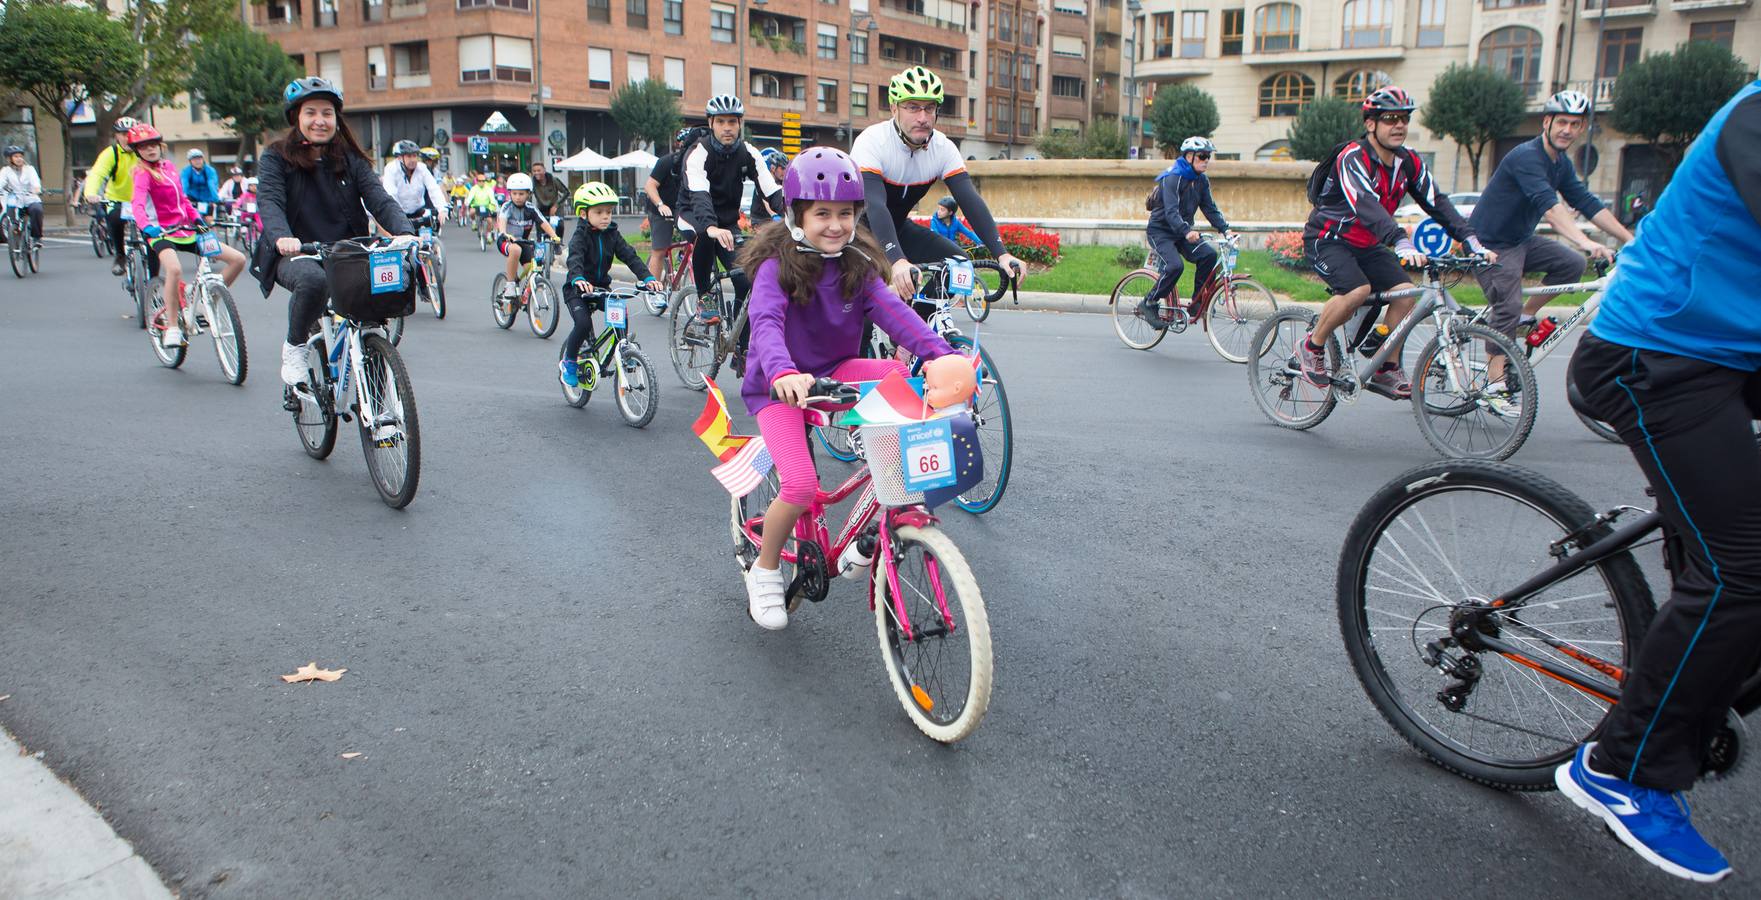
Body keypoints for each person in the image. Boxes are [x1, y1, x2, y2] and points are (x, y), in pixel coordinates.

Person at [1560, 78, 1761, 886]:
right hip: (1658, 354)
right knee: (1743, 569)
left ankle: (1707, 646)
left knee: (1728, 558)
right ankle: (1621, 768)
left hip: (1733, 350)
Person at [735, 147, 969, 629]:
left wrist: (942, 357)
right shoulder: (776, 267)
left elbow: (898, 316)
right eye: (822, 213)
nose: (836, 225)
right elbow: (765, 325)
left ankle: (875, 523)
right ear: (796, 215)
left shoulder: (858, 264)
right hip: (777, 387)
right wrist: (781, 373)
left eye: (846, 213)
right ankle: (764, 569)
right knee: (800, 485)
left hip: (833, 368)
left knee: (898, 379)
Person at [1295, 86, 1490, 399]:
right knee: (1357, 290)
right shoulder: (1353, 158)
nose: (1399, 125)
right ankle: (1311, 345)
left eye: (1404, 119)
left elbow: (1436, 202)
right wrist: (1400, 241)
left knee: (1405, 294)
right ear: (1371, 124)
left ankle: (1386, 367)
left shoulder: (1408, 162)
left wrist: (1470, 239)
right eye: (1389, 119)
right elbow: (1365, 205)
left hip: (1367, 244)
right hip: (1328, 239)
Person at [253, 76, 414, 394]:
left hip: (348, 252)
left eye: (327, 113)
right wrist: (282, 237)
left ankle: (382, 423)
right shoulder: (275, 158)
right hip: (296, 252)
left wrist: (405, 232)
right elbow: (269, 202)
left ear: (336, 118)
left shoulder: (350, 159)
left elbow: (379, 199)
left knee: (373, 321)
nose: (319, 121)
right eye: (310, 112)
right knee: (313, 281)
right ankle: (295, 348)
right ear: (295, 117)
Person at [1472, 89, 1635, 392]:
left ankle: (1524, 317)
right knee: (1508, 301)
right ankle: (1494, 380)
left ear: (1581, 128)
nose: (1567, 130)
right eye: (1562, 122)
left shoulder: (1560, 163)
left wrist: (1631, 239)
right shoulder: (1526, 157)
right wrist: (1584, 240)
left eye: (1575, 124)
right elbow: (1550, 207)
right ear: (1546, 122)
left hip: (1520, 240)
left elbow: (1586, 202)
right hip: (1489, 245)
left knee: (1571, 264)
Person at [851, 66, 1025, 302]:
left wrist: (1001, 254)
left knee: (960, 266)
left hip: (898, 227)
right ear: (894, 109)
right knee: (866, 307)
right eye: (912, 107)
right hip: (859, 232)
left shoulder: (943, 148)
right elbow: (875, 206)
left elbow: (969, 200)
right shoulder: (872, 141)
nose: (922, 117)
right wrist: (897, 260)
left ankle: (918, 329)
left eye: (929, 108)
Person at [127, 123, 248, 348]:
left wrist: (199, 221)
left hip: (186, 230)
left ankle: (204, 300)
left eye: (153, 144)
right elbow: (137, 206)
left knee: (238, 259)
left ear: (160, 145)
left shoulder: (169, 167)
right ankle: (172, 326)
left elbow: (183, 200)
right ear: (137, 151)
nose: (150, 149)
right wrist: (147, 227)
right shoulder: (142, 173)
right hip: (160, 232)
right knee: (174, 269)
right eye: (143, 147)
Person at [679, 95, 784, 326]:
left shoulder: (748, 153)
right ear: (710, 123)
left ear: (740, 124)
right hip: (692, 215)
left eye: (732, 122)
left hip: (726, 222)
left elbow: (772, 191)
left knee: (746, 282)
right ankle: (705, 296)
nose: (727, 128)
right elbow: (699, 195)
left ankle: (740, 347)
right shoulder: (698, 153)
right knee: (704, 235)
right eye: (721, 122)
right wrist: (711, 226)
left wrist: (798, 216)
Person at [559, 181, 660, 388]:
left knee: (619, 312)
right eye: (599, 212)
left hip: (600, 290)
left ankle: (623, 351)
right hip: (577, 290)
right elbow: (574, 259)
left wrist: (648, 278)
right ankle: (569, 362)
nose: (606, 216)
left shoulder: (612, 234)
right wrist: (578, 279)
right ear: (583, 214)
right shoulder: (580, 236)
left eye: (609, 212)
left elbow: (630, 256)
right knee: (583, 324)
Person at [1141, 136, 1233, 327]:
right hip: (1161, 231)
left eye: (1208, 156)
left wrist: (1225, 229)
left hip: (1182, 232)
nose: (1206, 160)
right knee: (1175, 266)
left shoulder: (1201, 180)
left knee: (1208, 255)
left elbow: (1209, 208)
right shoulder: (1173, 178)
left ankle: (1197, 302)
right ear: (1189, 156)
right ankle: (1149, 302)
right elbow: (1171, 212)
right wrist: (1186, 231)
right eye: (1202, 156)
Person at [491, 171, 561, 305]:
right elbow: (502, 221)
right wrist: (504, 233)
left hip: (523, 242)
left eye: (522, 194)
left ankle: (522, 289)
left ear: (529, 194)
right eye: (514, 193)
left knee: (532, 267)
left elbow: (543, 222)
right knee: (515, 250)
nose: (518, 197)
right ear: (510, 193)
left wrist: (554, 236)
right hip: (506, 241)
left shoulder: (531, 208)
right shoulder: (507, 207)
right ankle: (510, 285)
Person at [84, 117, 142, 275]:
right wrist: (91, 193)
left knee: (152, 232)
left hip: (142, 200)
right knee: (114, 219)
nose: (127, 137)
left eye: (130, 133)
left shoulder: (144, 151)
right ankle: (120, 255)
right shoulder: (111, 153)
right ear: (117, 136)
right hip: (118, 199)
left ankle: (153, 271)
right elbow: (97, 174)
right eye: (123, 134)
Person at [643, 126, 698, 281]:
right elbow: (650, 185)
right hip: (661, 208)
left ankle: (683, 256)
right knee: (660, 250)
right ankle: (654, 290)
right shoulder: (666, 162)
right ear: (679, 145)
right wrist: (660, 204)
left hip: (682, 208)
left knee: (699, 240)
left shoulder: (699, 165)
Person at [380, 139, 448, 232]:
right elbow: (390, 193)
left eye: (415, 156)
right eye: (409, 156)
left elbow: (433, 188)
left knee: (428, 240)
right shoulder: (391, 169)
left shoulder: (422, 168)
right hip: (399, 214)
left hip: (418, 211)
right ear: (399, 158)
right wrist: (396, 215)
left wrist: (442, 209)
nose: (413, 160)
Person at [0, 146, 45, 251]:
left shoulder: (29, 169)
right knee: (10, 210)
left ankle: (37, 238)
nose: (19, 158)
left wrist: (36, 189)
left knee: (36, 210)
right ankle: (15, 233)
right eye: (16, 156)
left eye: (20, 156)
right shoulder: (5, 171)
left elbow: (35, 183)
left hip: (30, 198)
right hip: (14, 198)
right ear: (9, 159)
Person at [530, 160, 568, 240]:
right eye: (534, 171)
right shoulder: (532, 183)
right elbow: (528, 194)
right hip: (542, 207)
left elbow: (566, 192)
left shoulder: (553, 180)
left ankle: (558, 243)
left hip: (556, 207)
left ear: (544, 170)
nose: (536, 173)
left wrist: (556, 205)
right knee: (540, 227)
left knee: (560, 225)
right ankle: (541, 245)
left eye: (539, 170)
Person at [749, 147, 789, 222]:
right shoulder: (764, 180)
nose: (785, 172)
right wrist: (773, 214)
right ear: (773, 168)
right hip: (759, 220)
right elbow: (765, 202)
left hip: (771, 219)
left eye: (786, 169)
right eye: (782, 169)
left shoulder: (780, 182)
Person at [181, 148, 221, 214]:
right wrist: (182, 199)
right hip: (193, 198)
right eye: (194, 159)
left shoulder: (210, 170)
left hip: (207, 199)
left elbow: (212, 185)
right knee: (191, 217)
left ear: (203, 159)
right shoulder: (186, 171)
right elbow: (184, 185)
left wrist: (216, 199)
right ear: (190, 161)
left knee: (209, 219)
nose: (197, 161)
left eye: (199, 159)